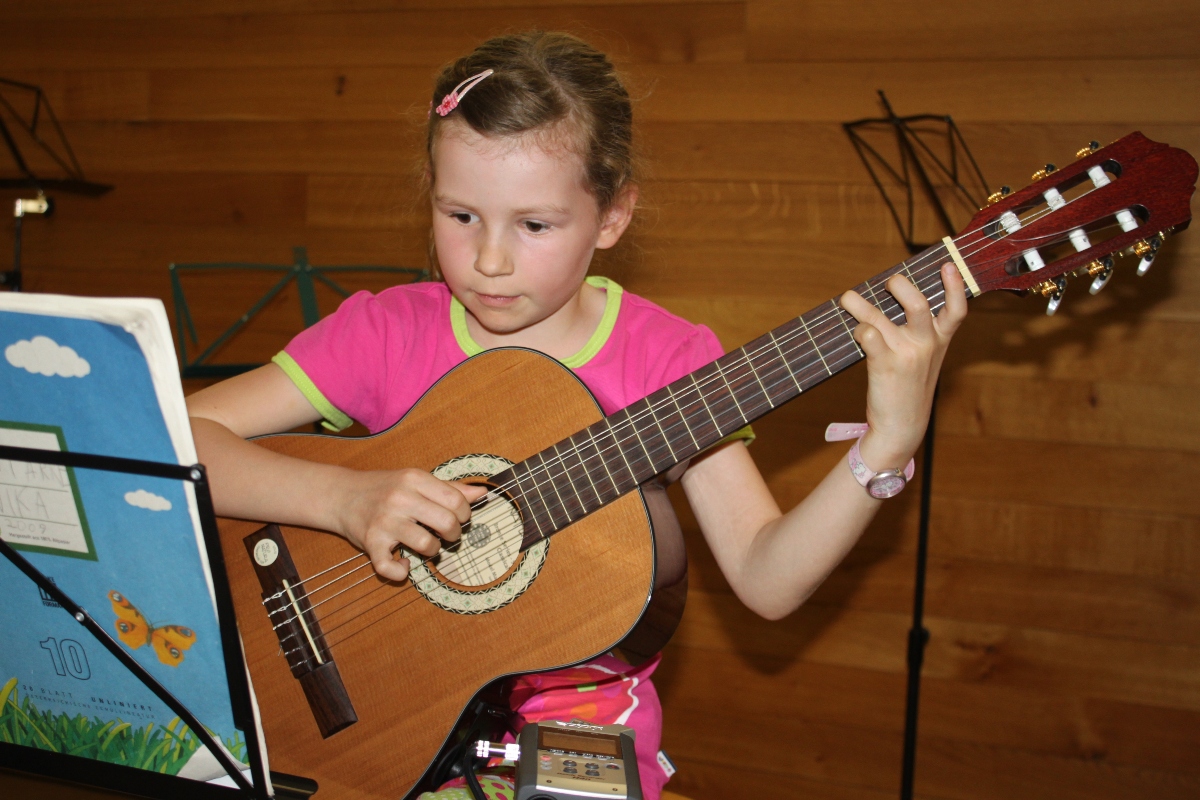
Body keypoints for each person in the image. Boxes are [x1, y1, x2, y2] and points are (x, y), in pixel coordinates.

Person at [186, 31, 967, 800]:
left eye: (534, 226)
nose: (489, 259)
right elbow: (173, 435)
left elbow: (767, 579)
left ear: (613, 215)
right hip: (372, 728)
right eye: (461, 215)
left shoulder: (666, 361)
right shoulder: (387, 332)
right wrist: (342, 499)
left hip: (574, 754)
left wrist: (888, 444)